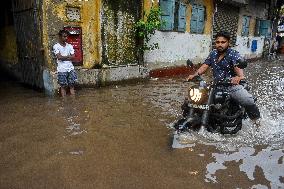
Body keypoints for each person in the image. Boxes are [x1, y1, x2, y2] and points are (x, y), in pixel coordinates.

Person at [187, 31, 261, 124]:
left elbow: (238, 70)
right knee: (195, 99)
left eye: (223, 42)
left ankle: (256, 122)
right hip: (216, 85)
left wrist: (239, 77)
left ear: (228, 43)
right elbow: (205, 66)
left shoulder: (233, 54)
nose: (220, 44)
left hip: (231, 86)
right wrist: (195, 75)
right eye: (218, 42)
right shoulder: (213, 54)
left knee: (247, 100)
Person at [53, 30, 77, 97]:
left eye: (67, 36)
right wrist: (68, 56)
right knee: (63, 86)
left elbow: (73, 56)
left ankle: (73, 100)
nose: (66, 38)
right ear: (60, 37)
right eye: (64, 36)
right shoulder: (56, 46)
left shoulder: (69, 46)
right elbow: (59, 57)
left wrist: (64, 57)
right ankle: (64, 101)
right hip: (62, 69)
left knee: (72, 85)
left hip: (70, 68)